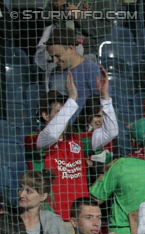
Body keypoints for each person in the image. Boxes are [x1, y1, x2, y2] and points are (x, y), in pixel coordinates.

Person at [24, 67, 115, 221]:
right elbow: (52, 134)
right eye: (59, 113)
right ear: (45, 116)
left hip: (80, 220)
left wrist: (105, 98)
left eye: (66, 113)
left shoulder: (77, 139)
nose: (65, 118)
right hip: (52, 218)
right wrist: (72, 99)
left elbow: (110, 132)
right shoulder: (34, 139)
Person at [45, 28, 101, 122]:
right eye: (52, 56)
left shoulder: (91, 69)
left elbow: (101, 105)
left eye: (57, 56)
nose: (54, 60)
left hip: (83, 132)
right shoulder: (54, 73)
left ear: (71, 49)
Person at [18, 170, 69, 234]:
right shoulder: (10, 219)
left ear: (43, 196)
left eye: (29, 191)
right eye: (21, 189)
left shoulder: (53, 221)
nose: (21, 194)